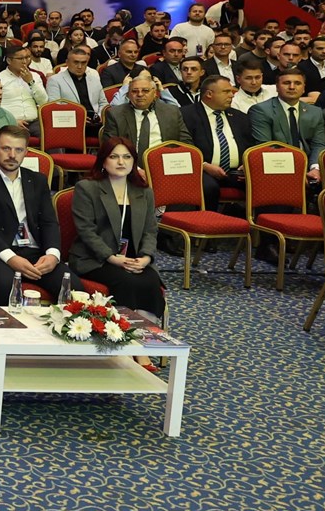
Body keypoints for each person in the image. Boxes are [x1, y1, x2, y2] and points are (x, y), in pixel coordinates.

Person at [69, 137, 165, 357]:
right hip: (96, 258)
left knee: (151, 279)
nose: (121, 162)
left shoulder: (144, 192)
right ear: (103, 160)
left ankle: (141, 342)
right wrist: (112, 258)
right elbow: (86, 231)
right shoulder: (88, 188)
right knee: (126, 281)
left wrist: (146, 257)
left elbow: (151, 230)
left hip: (134, 258)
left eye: (127, 157)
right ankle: (123, 344)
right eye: (114, 156)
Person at [0, 124, 68, 304]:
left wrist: (52, 254)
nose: (12, 155)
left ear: (26, 152)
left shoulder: (38, 180)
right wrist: (11, 258)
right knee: (7, 284)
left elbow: (49, 222)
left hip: (34, 251)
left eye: (18, 150)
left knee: (71, 286)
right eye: (6, 148)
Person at [180, 74, 253, 206]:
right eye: (226, 91)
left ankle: (248, 218)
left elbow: (251, 145)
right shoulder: (186, 115)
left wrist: (247, 163)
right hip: (202, 170)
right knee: (209, 187)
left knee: (266, 183)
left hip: (236, 172)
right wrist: (204, 165)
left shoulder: (240, 117)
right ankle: (209, 219)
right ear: (209, 94)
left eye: (232, 91)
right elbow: (183, 146)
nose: (232, 95)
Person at [103, 77, 187, 166]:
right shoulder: (115, 114)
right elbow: (110, 148)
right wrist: (135, 169)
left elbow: (186, 143)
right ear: (128, 95)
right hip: (129, 166)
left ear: (154, 93)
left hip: (167, 165)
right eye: (134, 91)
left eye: (145, 91)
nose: (140, 94)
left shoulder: (171, 112)